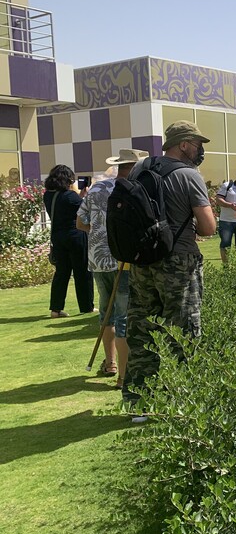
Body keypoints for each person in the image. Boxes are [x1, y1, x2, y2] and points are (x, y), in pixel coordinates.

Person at [122, 121, 216, 414]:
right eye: (198, 144)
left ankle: (139, 404)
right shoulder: (189, 175)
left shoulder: (140, 168)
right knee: (182, 332)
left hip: (142, 261)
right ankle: (182, 405)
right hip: (178, 262)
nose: (200, 150)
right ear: (185, 144)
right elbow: (209, 226)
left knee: (142, 330)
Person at [77, 149, 149, 388]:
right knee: (123, 318)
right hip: (124, 261)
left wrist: (99, 235)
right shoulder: (136, 189)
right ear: (135, 167)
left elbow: (80, 223)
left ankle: (111, 363)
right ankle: (123, 377)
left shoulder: (97, 188)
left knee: (106, 313)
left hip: (98, 261)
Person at [43, 164, 94, 318]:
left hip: (58, 237)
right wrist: (83, 195)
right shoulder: (70, 196)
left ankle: (56, 309)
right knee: (82, 272)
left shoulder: (48, 196)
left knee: (61, 273)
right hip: (75, 236)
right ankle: (86, 306)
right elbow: (84, 210)